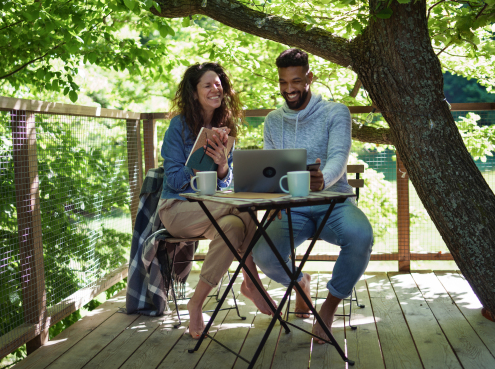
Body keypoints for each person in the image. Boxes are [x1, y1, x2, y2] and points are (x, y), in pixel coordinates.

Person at [252, 48, 373, 343]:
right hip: (293, 207)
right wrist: (275, 199)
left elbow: (338, 158)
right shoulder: (273, 121)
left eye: (295, 81)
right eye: (283, 82)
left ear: (309, 77)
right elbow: (271, 170)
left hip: (333, 203)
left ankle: (328, 309)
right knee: (263, 254)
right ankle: (300, 283)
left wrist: (324, 180)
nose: (289, 89)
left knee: (361, 236)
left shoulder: (335, 112)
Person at [157, 62, 275, 339]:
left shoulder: (224, 127)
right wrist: (200, 162)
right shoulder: (179, 127)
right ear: (194, 92)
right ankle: (253, 282)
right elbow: (173, 180)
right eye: (207, 85)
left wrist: (222, 165)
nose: (215, 88)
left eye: (219, 83)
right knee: (243, 208)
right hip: (177, 209)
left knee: (235, 225)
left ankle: (196, 302)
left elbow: (226, 183)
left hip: (215, 208)